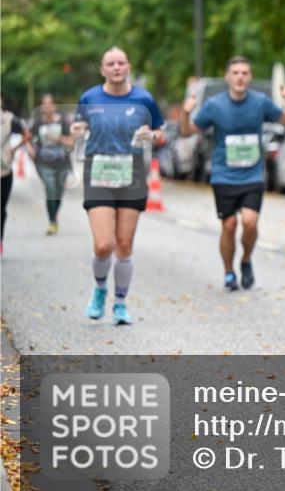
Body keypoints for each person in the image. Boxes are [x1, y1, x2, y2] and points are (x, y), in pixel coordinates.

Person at [180, 57, 285, 292]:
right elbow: (187, 132)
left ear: (250, 77)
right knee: (230, 225)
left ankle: (245, 260)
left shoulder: (261, 102)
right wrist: (185, 114)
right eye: (235, 72)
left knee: (250, 223)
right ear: (227, 77)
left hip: (252, 174)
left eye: (244, 73)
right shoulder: (215, 105)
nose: (240, 77)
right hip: (224, 174)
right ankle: (229, 272)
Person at [72, 47, 165, 325]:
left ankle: (121, 303)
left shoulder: (143, 98)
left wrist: (152, 135)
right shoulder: (89, 98)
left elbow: (161, 132)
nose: (116, 67)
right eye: (110, 64)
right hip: (98, 174)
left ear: (128, 67)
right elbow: (78, 129)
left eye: (120, 63)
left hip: (132, 176)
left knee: (124, 244)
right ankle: (100, 290)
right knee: (104, 245)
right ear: (103, 69)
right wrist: (77, 131)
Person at [28, 94, 73, 235]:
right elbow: (27, 138)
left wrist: (57, 138)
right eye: (44, 104)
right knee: (50, 188)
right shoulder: (37, 123)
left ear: (54, 106)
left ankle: (54, 215)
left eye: (49, 104)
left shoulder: (63, 122)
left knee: (58, 193)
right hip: (43, 162)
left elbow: (70, 142)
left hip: (62, 162)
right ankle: (52, 221)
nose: (47, 107)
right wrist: (30, 150)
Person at [1, 96, 31, 256]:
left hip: (4, 170)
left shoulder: (9, 120)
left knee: (1, 209)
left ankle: (0, 239)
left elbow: (27, 134)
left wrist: (13, 150)